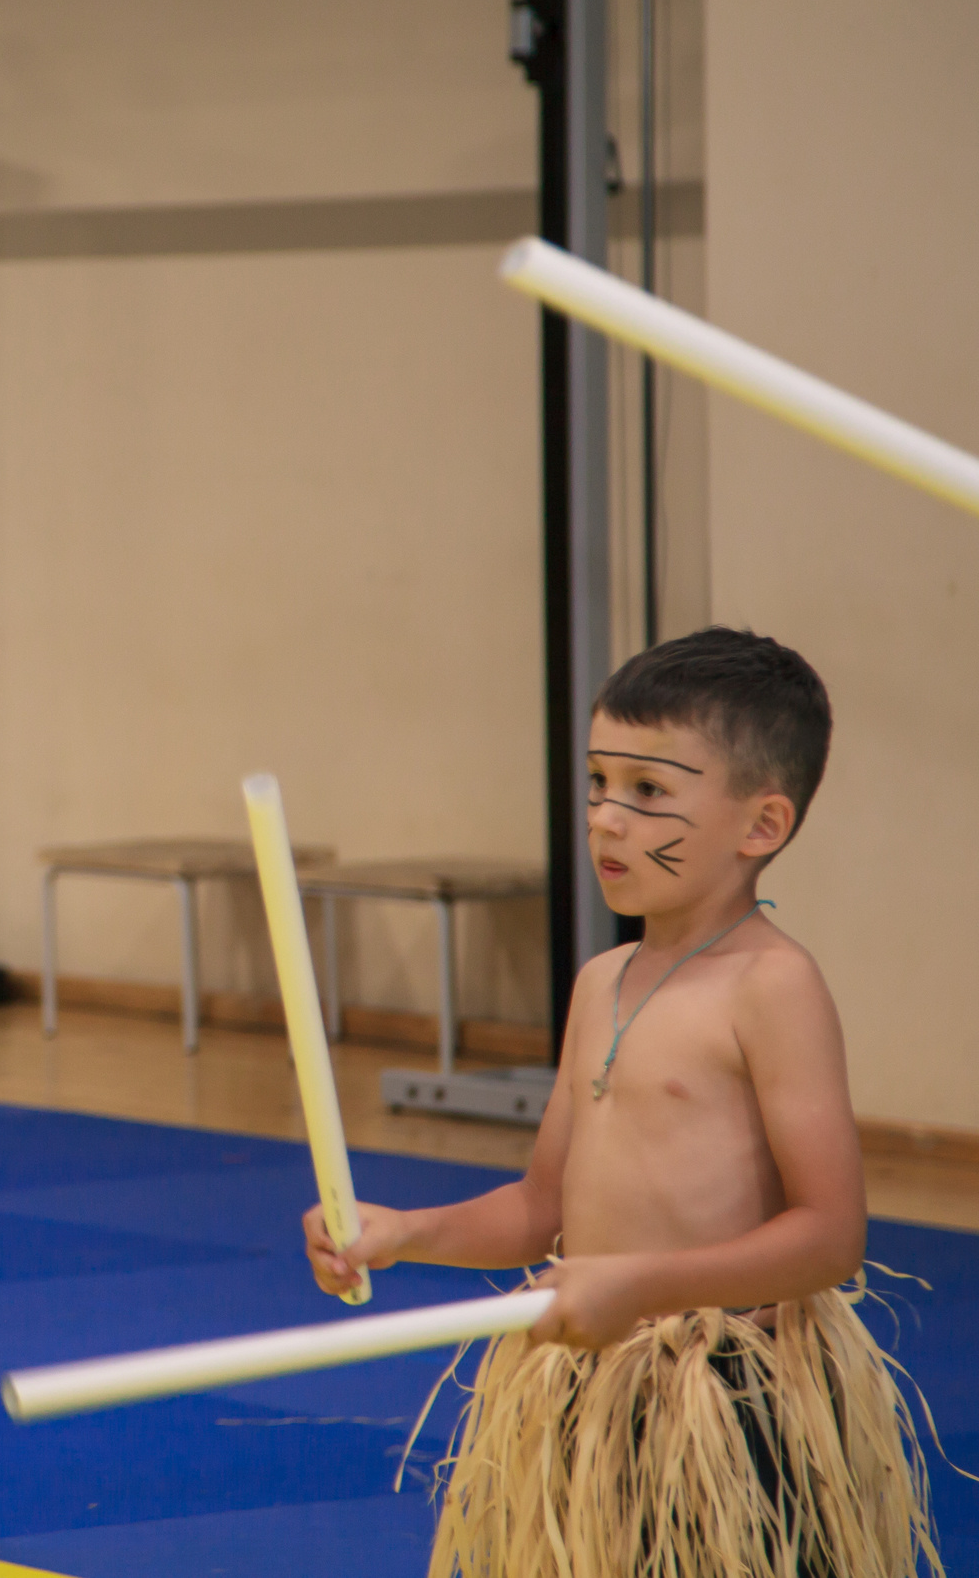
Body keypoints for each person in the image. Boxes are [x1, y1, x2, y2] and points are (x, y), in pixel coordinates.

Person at [303, 627, 935, 1578]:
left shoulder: (772, 987)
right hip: (593, 1392)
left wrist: (638, 1283)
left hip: (724, 1398)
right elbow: (543, 1207)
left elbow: (830, 1236)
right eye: (598, 783)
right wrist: (405, 1232)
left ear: (761, 825)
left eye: (647, 793)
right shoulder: (601, 980)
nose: (604, 819)